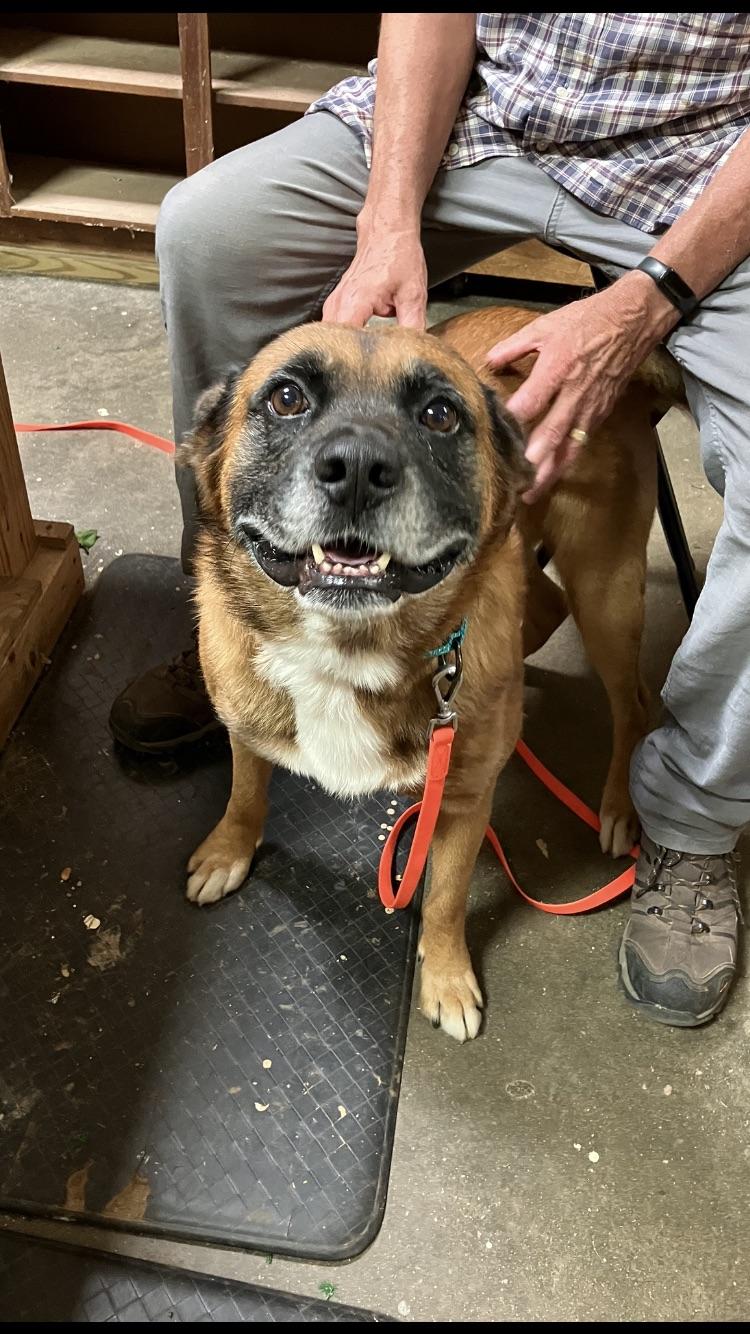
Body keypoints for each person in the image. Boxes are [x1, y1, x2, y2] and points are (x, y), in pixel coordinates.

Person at [110, 13, 750, 1028]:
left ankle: (698, 814)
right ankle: (234, 623)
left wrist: (653, 300)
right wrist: (388, 217)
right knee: (206, 230)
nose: (356, 458)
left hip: (704, 164)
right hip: (477, 114)